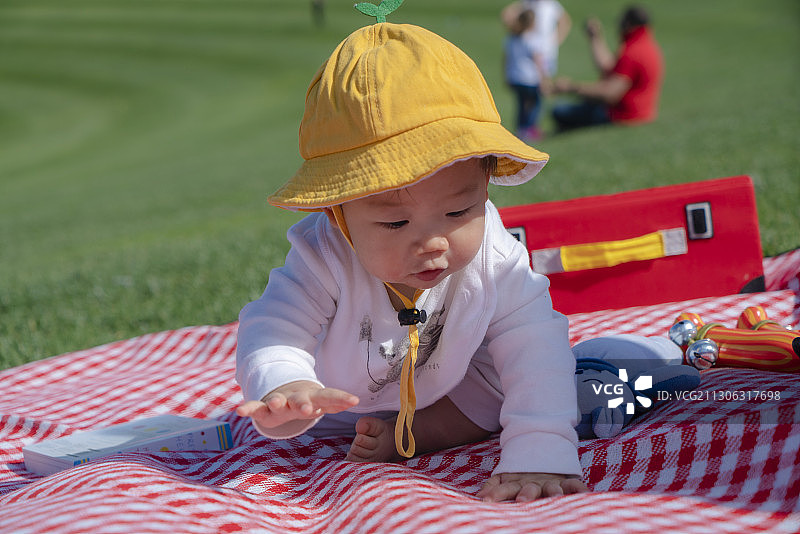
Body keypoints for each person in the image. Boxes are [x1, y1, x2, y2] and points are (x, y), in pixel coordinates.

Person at [235, 19, 588, 503]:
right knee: (318, 417)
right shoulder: (324, 255)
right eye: (395, 224)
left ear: (485, 186)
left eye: (459, 211)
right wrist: (286, 383)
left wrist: (541, 450)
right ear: (337, 214)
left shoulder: (496, 256)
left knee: (512, 381)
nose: (433, 242)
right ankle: (381, 430)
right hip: (340, 405)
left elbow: (535, 340)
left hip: (456, 385)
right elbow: (273, 325)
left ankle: (423, 432)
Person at [551, 5, 664, 131]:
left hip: (623, 116)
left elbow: (610, 94)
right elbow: (610, 69)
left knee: (559, 111)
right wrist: (595, 38)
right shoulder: (646, 45)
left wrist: (572, 88)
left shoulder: (634, 52)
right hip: (640, 114)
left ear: (628, 23)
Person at [504, 8, 550, 141]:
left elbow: (507, 59)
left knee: (521, 103)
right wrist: (544, 78)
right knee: (535, 103)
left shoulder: (512, 38)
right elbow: (538, 61)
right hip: (530, 78)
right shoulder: (533, 39)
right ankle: (530, 128)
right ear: (532, 23)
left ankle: (521, 128)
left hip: (516, 77)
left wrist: (507, 76)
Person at [502, 0, 572, 77]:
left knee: (542, 78)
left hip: (545, 51)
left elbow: (564, 21)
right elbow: (507, 15)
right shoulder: (528, 3)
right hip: (530, 48)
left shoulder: (551, 5)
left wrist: (555, 42)